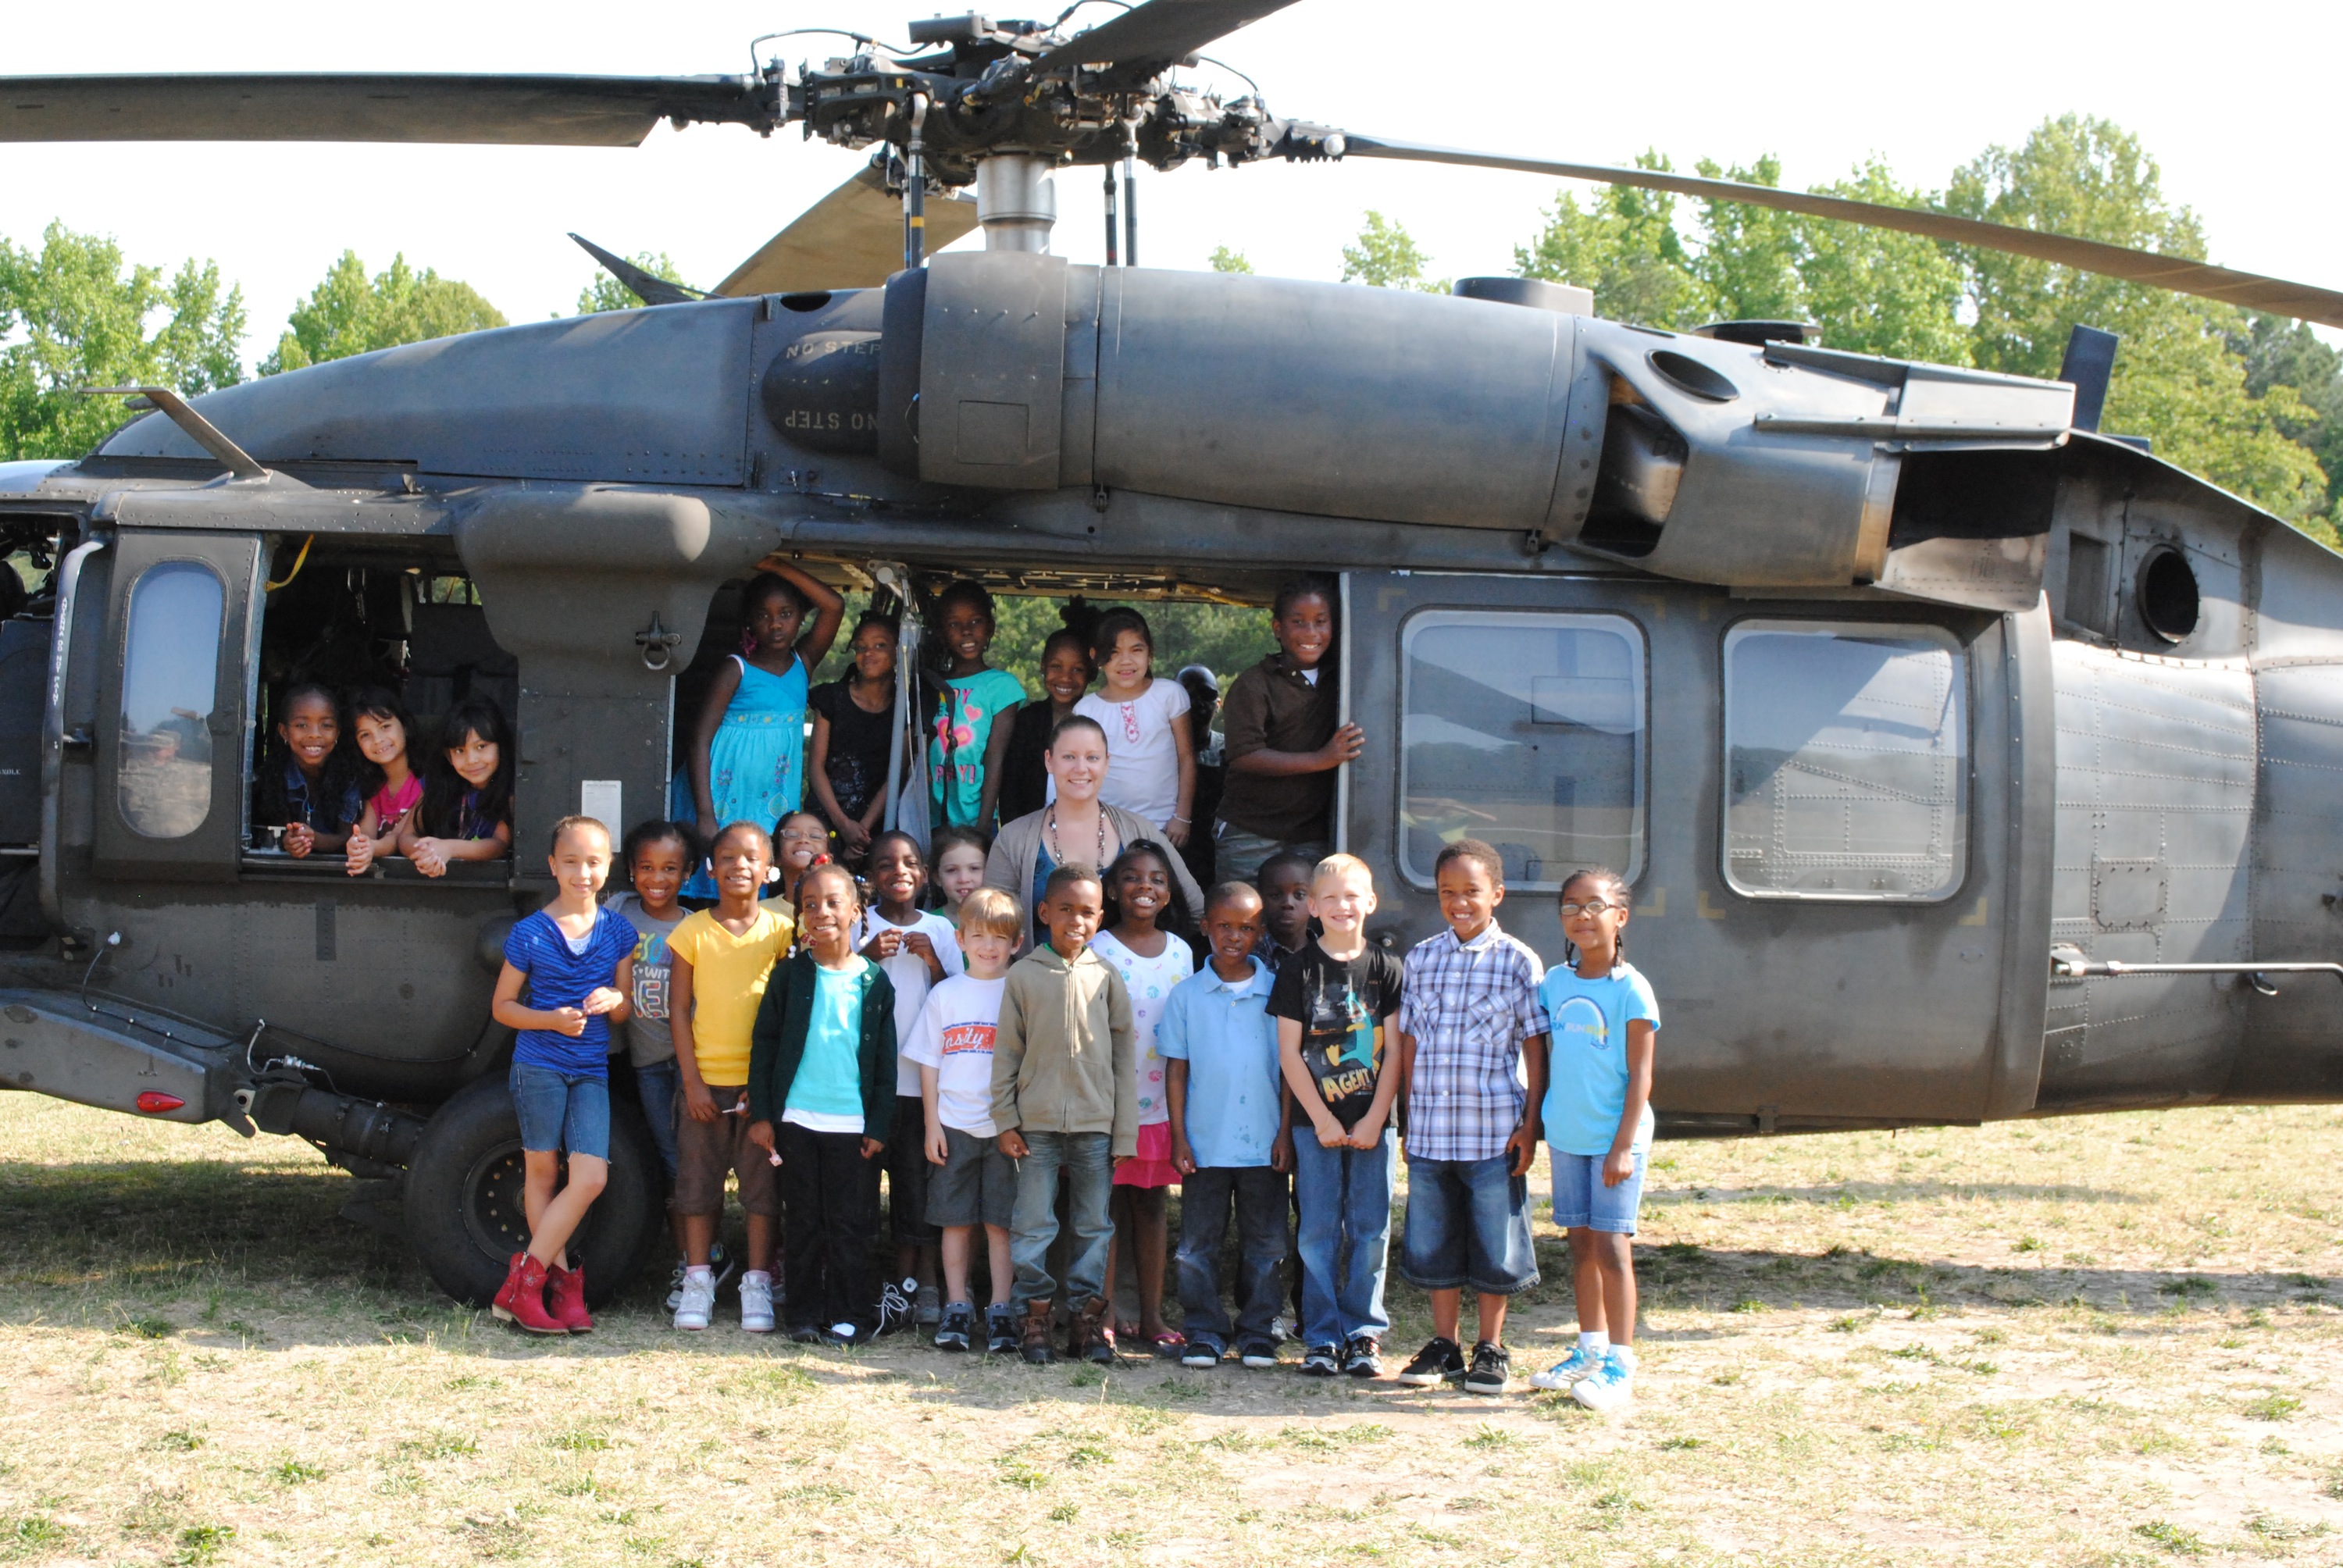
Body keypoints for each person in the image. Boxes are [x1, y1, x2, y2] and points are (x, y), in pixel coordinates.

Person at [1393, 839, 1548, 1397]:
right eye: (1447, 893)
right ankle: (1444, 1345)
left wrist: (1531, 1124)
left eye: (1471, 892)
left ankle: (1491, 1345)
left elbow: (1534, 1046)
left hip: (1492, 1132)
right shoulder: (1422, 958)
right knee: (1434, 1243)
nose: (1459, 903)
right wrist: (1408, 1118)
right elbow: (1409, 1041)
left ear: (1497, 896)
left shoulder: (1517, 961)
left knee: (1493, 1242)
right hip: (1433, 1131)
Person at [488, 816, 636, 1335]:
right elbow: (503, 1007)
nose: (582, 872)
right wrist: (550, 1018)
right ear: (552, 866)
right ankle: (563, 1284)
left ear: (608, 867)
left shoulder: (619, 931)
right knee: (543, 1175)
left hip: (591, 1068)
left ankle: (522, 1282)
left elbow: (623, 1010)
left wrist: (616, 997)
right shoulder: (530, 933)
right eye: (570, 861)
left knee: (591, 1176)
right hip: (539, 1066)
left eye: (594, 862)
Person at [992, 862, 1137, 1365]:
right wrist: (1005, 1119)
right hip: (1035, 1125)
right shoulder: (1024, 976)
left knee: (1093, 1224)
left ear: (1100, 916)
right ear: (1044, 912)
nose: (1077, 921)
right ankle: (1034, 1317)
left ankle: (1086, 1320)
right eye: (1066, 910)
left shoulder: (1106, 977)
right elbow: (1006, 1052)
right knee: (1033, 1222)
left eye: (1088, 912)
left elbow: (1125, 1058)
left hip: (1097, 1125)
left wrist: (1125, 1132)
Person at [747, 861, 897, 1345]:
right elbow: (765, 1044)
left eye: (833, 903)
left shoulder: (875, 982)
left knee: (850, 1224)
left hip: (851, 1125)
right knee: (804, 1221)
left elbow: (885, 1061)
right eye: (809, 905)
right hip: (796, 1121)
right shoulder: (791, 976)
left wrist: (878, 1124)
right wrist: (765, 1116)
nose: (821, 913)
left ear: (856, 911)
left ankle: (850, 1313)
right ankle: (805, 1315)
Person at [1527, 867, 1658, 1413]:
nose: (1583, 915)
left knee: (1612, 1246)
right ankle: (1589, 1349)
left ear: (1620, 916)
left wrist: (1622, 1146)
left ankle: (1620, 1362)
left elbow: (1641, 1075)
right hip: (1568, 1135)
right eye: (1571, 906)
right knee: (1579, 1243)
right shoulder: (1555, 983)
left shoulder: (1631, 988)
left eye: (1595, 905)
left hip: (1613, 1141)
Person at [1272, 853, 1406, 1378]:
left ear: (1370, 902)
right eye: (1329, 898)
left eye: (1352, 896)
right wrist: (1322, 1120)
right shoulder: (1297, 970)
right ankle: (1322, 1335)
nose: (1341, 906)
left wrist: (1375, 1118)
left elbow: (1395, 1052)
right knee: (1318, 1231)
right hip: (1315, 1126)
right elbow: (1289, 1053)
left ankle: (1364, 1333)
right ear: (1312, 906)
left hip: (1376, 1123)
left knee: (1371, 1229)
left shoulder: (1387, 968)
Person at [666, 822, 796, 1332]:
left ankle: (758, 1282)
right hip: (705, 1087)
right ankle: (698, 1278)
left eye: (750, 858)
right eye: (726, 857)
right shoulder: (692, 932)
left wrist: (764, 1088)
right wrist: (693, 1083)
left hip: (757, 1091)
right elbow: (678, 1011)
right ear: (710, 868)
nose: (738, 865)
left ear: (769, 870)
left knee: (763, 1191)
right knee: (697, 1187)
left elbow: (788, 1013)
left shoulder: (782, 930)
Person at [1163, 881, 1289, 1370]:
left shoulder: (1277, 993)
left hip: (1264, 1143)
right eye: (1224, 927)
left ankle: (1259, 1330)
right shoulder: (1187, 996)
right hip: (1205, 1142)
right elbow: (1177, 1068)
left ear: (1260, 932)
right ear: (1205, 928)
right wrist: (1179, 1137)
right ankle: (1204, 1331)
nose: (1235, 937)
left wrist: (1284, 1133)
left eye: (1247, 928)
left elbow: (1287, 1071)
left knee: (1267, 1242)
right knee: (1196, 1246)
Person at [678, 561, 844, 898]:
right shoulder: (735, 668)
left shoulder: (804, 662)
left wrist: (776, 565)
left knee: (761, 879)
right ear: (750, 622)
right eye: (763, 615)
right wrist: (706, 816)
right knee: (718, 881)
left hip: (770, 797)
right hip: (719, 796)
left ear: (800, 617)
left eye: (785, 613)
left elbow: (834, 605)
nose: (775, 624)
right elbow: (699, 740)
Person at [904, 886, 1024, 1355]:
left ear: (1016, 943)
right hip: (952, 1126)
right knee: (955, 1223)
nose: (988, 946)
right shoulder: (946, 995)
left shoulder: (1021, 991)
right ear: (960, 939)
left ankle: (1000, 1308)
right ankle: (957, 1307)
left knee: (1000, 1224)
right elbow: (929, 1063)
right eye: (978, 936)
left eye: (999, 937)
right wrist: (932, 1125)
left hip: (1004, 1130)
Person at [854, 831, 965, 1329]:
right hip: (869, 1083)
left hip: (922, 1083)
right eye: (885, 864)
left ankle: (917, 1283)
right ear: (872, 876)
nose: (898, 871)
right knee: (859, 1186)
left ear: (924, 874)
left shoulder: (941, 929)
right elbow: (839, 984)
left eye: (910, 863)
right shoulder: (860, 924)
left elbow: (960, 995)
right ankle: (864, 1278)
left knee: (915, 1189)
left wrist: (932, 960)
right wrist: (870, 955)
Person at [1091, 840, 1196, 1354]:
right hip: (1108, 1106)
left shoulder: (1182, 952)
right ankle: (1105, 1312)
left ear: (1169, 890)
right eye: (1132, 877)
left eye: (1156, 878)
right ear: (1112, 889)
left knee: (1152, 1206)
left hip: (1160, 1108)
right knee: (1104, 1209)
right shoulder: (1096, 947)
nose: (1144, 887)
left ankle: (1153, 1314)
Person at [986, 715, 1203, 948]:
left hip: (1129, 981)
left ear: (1107, 763)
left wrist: (1160, 956)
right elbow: (990, 922)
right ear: (1049, 761)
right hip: (1041, 978)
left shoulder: (1140, 831)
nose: (1081, 768)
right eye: (1069, 757)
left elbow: (1196, 909)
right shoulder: (1014, 838)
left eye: (1092, 757)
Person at [604, 819, 698, 1306]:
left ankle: (696, 1260)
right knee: (666, 1160)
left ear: (688, 874)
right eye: (645, 867)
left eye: (669, 869)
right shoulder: (617, 910)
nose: (656, 878)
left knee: (684, 1162)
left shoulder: (694, 927)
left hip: (684, 1063)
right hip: (643, 1062)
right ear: (630, 871)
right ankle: (690, 1258)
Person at [1215, 576, 1363, 885]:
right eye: (1299, 622)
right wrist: (1323, 758)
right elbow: (1245, 755)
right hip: (1250, 830)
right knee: (1246, 917)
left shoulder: (1346, 678)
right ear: (1278, 629)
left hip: (1310, 834)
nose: (1311, 633)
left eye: (1321, 622)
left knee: (1302, 920)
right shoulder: (1254, 684)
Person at [1066, 608, 1195, 844]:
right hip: (1104, 829)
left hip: (1164, 827)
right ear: (1096, 657)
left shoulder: (1169, 694)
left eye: (1136, 650)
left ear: (1150, 653)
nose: (1126, 661)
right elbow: (1080, 771)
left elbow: (1186, 758)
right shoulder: (1087, 709)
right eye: (1113, 653)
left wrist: (1182, 817)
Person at [808, 610, 910, 865]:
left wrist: (861, 830)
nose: (869, 653)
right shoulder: (831, 697)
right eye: (861, 647)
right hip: (826, 817)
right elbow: (816, 766)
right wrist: (843, 825)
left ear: (899, 652)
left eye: (880, 645)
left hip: (875, 826)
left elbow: (897, 774)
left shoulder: (906, 707)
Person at [924, 580, 1026, 832]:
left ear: (990, 628)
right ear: (942, 632)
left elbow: (995, 758)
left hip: (977, 818)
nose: (966, 631)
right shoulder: (929, 684)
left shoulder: (1001, 685)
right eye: (954, 624)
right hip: (929, 819)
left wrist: (982, 826)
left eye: (975, 621)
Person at [997, 606, 1097, 824]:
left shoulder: (1100, 720)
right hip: (1031, 833)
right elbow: (1010, 786)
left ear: (1091, 671)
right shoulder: (1027, 720)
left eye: (1077, 669)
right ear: (1043, 666)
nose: (1065, 678)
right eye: (1056, 667)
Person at [400, 694, 515, 875]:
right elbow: (406, 837)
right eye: (460, 751)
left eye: (481, 747)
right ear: (448, 756)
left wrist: (450, 849)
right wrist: (428, 854)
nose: (471, 760)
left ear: (500, 746)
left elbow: (499, 844)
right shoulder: (436, 783)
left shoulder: (509, 788)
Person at [252, 682, 363, 858]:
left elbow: (347, 837)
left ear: (338, 732)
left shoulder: (348, 777)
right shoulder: (273, 778)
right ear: (284, 732)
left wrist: (315, 839)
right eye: (302, 725)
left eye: (326, 725)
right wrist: (290, 841)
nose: (314, 734)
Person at [342, 687, 420, 875]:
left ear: (406, 726)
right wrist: (359, 846)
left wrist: (372, 848)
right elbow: (366, 832)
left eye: (385, 726)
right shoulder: (374, 788)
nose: (378, 740)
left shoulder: (425, 783)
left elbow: (395, 838)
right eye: (365, 735)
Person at [1174, 663, 1224, 891]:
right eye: (1185, 695)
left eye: (1206, 694)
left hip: (1218, 853)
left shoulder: (1230, 752)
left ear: (1218, 704)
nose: (1196, 703)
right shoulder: (1154, 752)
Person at [1254, 850, 1316, 975]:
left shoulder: (1327, 955)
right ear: (1260, 899)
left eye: (1299, 894)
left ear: (1314, 900)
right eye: (1275, 895)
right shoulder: (1248, 957)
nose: (1288, 903)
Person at [928, 826, 990, 922]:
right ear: (937, 877)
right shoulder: (929, 924)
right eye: (952, 870)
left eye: (974, 868)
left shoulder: (1002, 922)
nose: (963, 879)